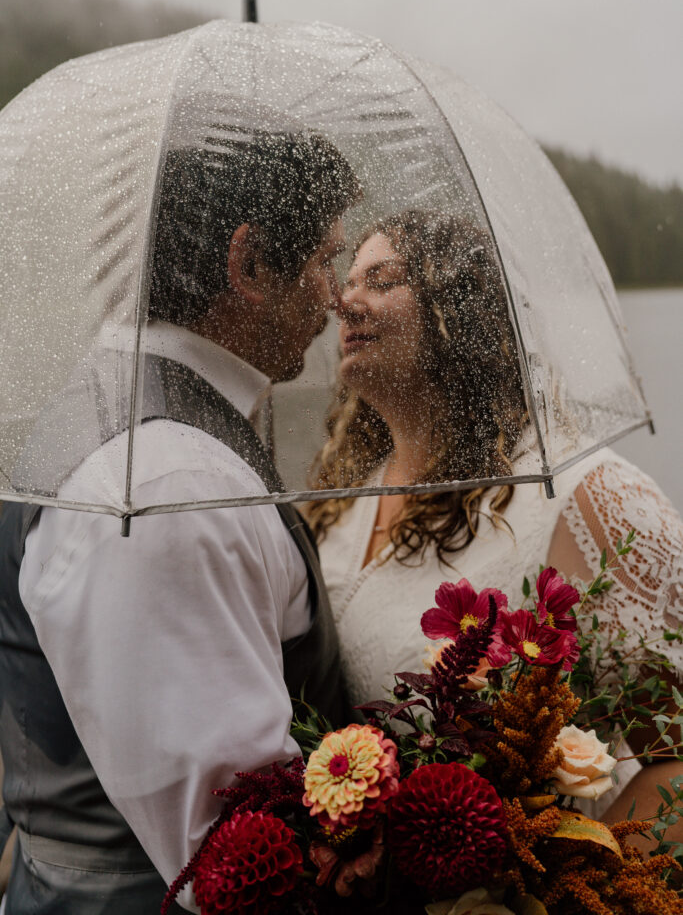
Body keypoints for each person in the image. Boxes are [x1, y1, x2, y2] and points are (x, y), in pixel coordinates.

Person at [0, 127, 360, 912]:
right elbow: (233, 862)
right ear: (250, 265)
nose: (337, 298)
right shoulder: (173, 484)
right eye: (326, 259)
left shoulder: (120, 403)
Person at [308, 208, 683, 826]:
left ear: (460, 307)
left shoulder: (580, 496)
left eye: (382, 280)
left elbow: (673, 757)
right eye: (347, 282)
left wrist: (561, 882)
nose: (346, 302)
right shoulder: (339, 504)